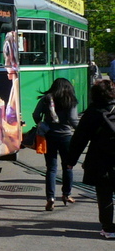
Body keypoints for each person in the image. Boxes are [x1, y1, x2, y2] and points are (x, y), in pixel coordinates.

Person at [69, 79, 115, 239]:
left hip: (100, 161)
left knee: (104, 196)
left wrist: (70, 161)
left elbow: (79, 139)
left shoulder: (92, 113)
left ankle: (109, 228)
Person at [32, 77, 79, 211]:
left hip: (49, 136)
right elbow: (73, 120)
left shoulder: (46, 99)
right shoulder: (71, 100)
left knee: (51, 169)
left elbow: (36, 115)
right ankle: (66, 194)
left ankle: (50, 198)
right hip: (66, 137)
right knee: (67, 167)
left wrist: (42, 124)